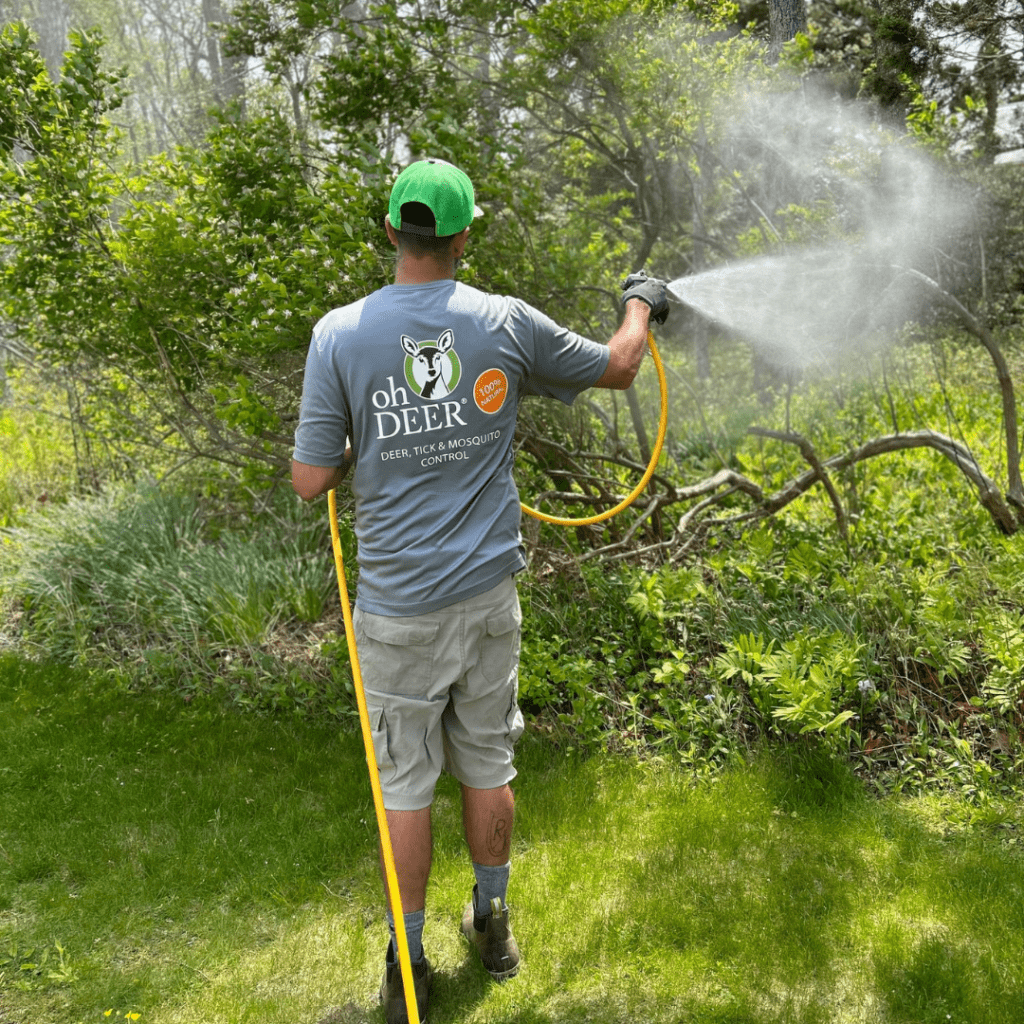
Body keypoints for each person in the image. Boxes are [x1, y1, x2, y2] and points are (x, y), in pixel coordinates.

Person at [291, 157, 668, 1024]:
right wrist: (641, 302)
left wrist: (360, 449)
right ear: (463, 237)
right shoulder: (503, 322)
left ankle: (408, 963)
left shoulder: (338, 335)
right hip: (487, 598)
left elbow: (310, 481)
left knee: (404, 786)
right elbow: (620, 366)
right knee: (489, 763)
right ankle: (492, 925)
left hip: (396, 610)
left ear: (393, 230)